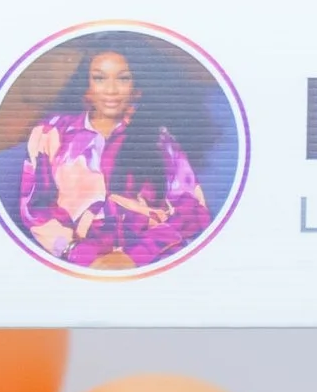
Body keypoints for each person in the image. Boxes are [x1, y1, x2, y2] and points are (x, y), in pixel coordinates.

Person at [15, 42, 209, 269]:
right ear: (86, 86)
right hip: (75, 262)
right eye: (99, 78)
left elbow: (193, 209)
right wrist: (81, 255)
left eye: (123, 78)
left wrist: (136, 255)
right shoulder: (50, 134)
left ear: (137, 88)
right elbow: (35, 210)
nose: (111, 90)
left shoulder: (159, 138)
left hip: (152, 261)